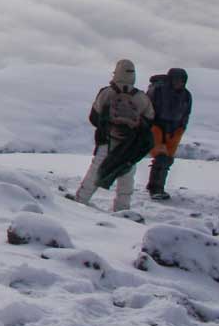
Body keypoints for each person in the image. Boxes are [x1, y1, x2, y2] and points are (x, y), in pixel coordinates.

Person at [74, 59, 155, 212]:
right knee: (126, 175)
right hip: (129, 145)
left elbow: (94, 117)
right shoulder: (141, 97)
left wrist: (109, 127)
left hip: (107, 140)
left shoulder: (107, 92)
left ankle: (80, 201)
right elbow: (149, 120)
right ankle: (122, 209)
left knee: (96, 170)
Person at [146, 68, 192, 201]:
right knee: (160, 156)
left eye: (182, 81)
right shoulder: (158, 90)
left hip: (174, 130)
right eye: (177, 80)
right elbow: (148, 108)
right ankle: (156, 189)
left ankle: (155, 186)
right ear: (170, 79)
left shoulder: (186, 95)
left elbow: (186, 113)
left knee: (168, 159)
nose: (180, 83)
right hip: (156, 127)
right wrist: (150, 125)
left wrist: (182, 128)